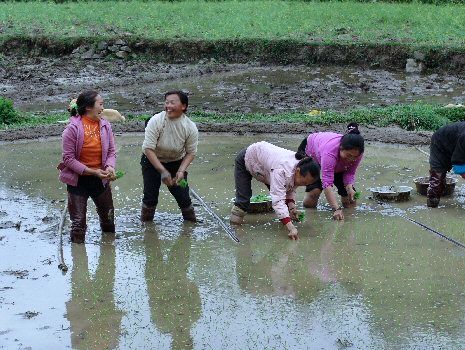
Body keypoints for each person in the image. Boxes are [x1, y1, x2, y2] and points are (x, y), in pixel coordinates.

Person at [58, 90, 117, 244]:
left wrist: (110, 167)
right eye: (101, 104)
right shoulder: (72, 129)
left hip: (101, 179)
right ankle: (78, 263)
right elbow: (68, 159)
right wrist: (92, 171)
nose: (103, 108)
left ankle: (109, 259)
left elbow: (111, 151)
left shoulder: (105, 125)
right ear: (89, 107)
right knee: (78, 225)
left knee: (108, 219)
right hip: (78, 181)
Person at [229, 141, 320, 240]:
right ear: (298, 171)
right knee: (243, 200)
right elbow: (278, 201)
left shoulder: (301, 167)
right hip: (248, 158)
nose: (302, 185)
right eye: (303, 182)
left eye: (306, 184)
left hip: (266, 166)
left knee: (282, 199)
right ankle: (234, 229)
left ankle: (285, 221)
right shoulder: (282, 170)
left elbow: (290, 187)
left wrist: (292, 207)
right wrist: (291, 228)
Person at [140, 90, 199, 222]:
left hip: (176, 162)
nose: (168, 106)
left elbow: (191, 152)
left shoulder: (190, 127)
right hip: (152, 160)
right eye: (166, 102)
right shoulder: (156, 121)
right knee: (150, 197)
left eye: (172, 102)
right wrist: (162, 171)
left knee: (184, 197)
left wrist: (181, 171)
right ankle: (146, 226)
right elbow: (148, 149)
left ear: (183, 106)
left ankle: (191, 223)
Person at [298, 122, 364, 221]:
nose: (351, 159)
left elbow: (350, 172)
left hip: (334, 160)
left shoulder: (357, 154)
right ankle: (311, 220)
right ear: (341, 148)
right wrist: (336, 208)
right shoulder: (329, 153)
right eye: (349, 155)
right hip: (312, 151)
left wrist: (349, 187)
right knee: (313, 195)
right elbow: (327, 183)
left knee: (350, 199)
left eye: (355, 157)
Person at [427, 121, 465, 207]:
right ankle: (432, 203)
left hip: (457, 144)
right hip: (440, 143)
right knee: (437, 178)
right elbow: (459, 166)